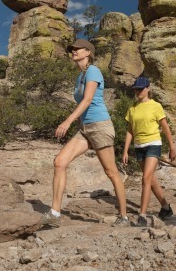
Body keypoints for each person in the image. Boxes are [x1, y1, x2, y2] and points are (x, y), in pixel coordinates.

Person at [40, 39, 129, 227]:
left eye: (77, 49)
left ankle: (124, 216)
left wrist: (67, 121)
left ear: (88, 52)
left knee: (111, 172)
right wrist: (79, 123)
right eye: (72, 49)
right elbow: (82, 103)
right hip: (85, 128)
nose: (73, 51)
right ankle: (55, 213)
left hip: (100, 126)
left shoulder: (93, 71)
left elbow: (88, 100)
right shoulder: (79, 76)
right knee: (59, 162)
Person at [122, 76, 176, 227]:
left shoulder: (156, 106)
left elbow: (165, 127)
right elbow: (130, 130)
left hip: (153, 144)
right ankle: (166, 207)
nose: (138, 92)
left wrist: (172, 147)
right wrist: (125, 151)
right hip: (138, 146)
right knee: (151, 180)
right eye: (136, 89)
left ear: (148, 89)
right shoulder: (132, 108)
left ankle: (142, 215)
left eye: (140, 89)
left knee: (145, 178)